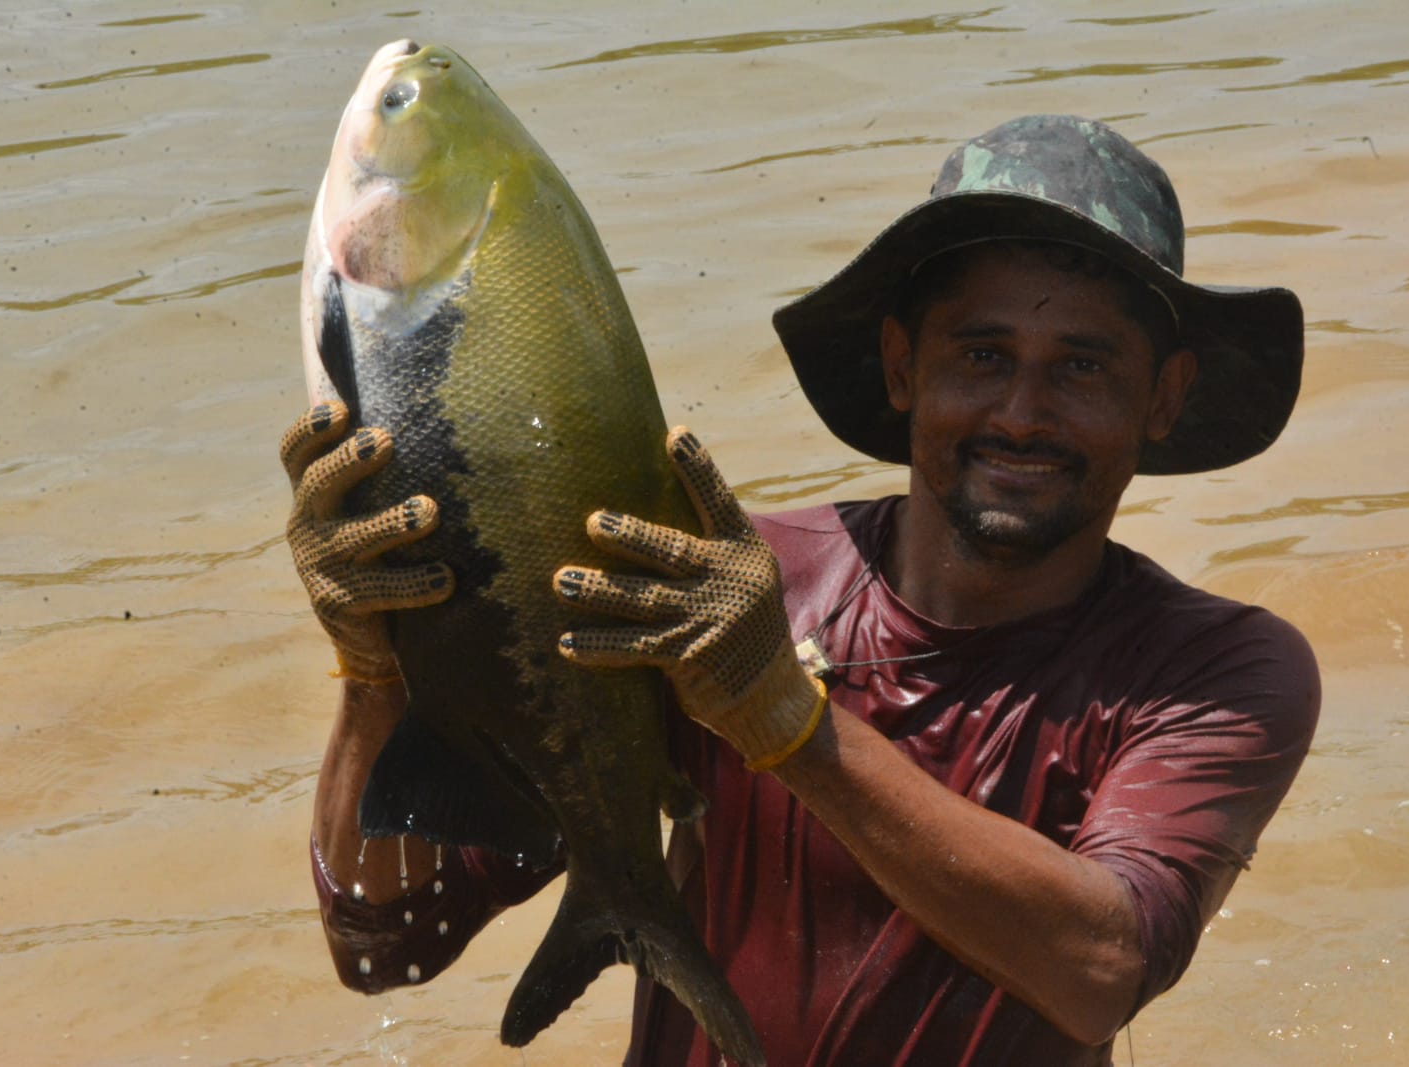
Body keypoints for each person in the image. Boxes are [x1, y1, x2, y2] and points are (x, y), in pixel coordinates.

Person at [281, 115, 1320, 1065]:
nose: (1020, 411)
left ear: (1165, 396)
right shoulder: (719, 590)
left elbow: (1098, 969)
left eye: (1082, 366)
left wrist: (778, 711)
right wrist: (377, 668)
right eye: (981, 353)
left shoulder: (1216, 671)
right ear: (902, 365)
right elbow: (385, 941)